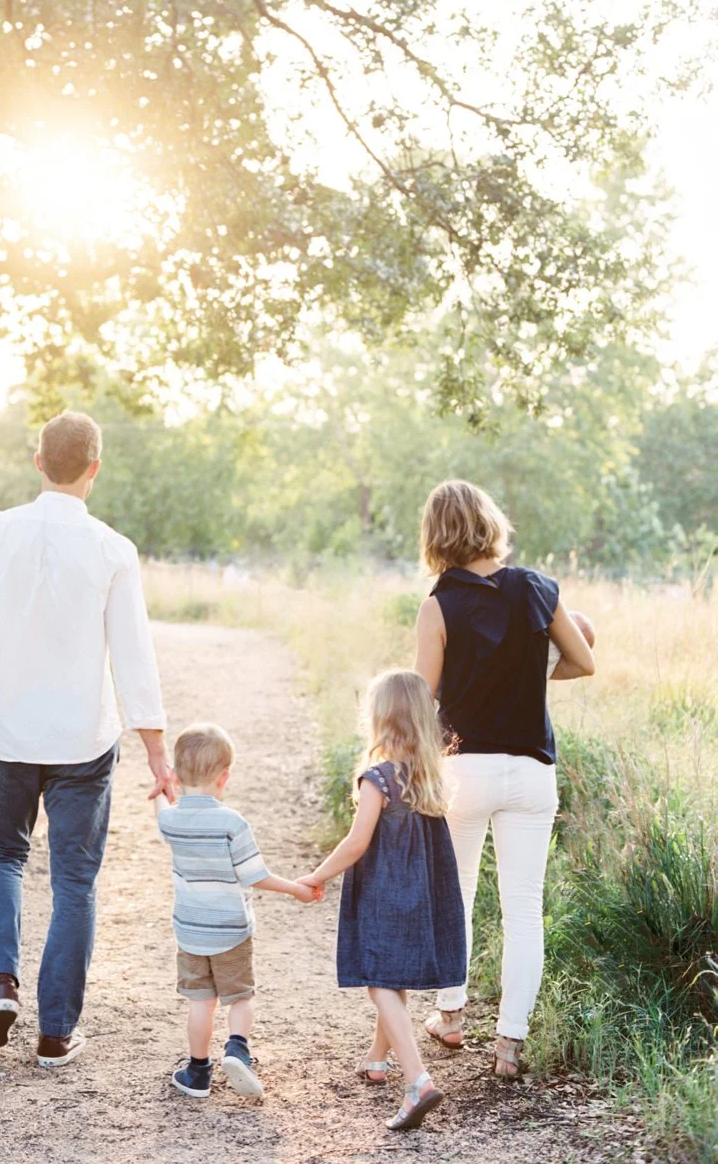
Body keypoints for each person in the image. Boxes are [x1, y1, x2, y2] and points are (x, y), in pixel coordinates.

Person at [0, 410, 174, 1069]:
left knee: (1, 856)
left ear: (38, 461)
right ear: (94, 469)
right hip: (82, 741)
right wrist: (156, 746)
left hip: (6, 730)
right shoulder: (112, 549)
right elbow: (133, 655)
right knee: (74, 881)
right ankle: (56, 1031)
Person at [414, 479, 595, 1079]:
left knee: (456, 897)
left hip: (463, 768)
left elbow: (422, 696)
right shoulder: (538, 589)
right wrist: (531, 676)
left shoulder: (438, 604)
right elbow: (583, 660)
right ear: (490, 523)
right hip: (531, 771)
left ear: (437, 535)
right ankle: (510, 1045)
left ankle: (451, 1016)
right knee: (523, 909)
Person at [298, 671, 466, 1132]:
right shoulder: (428, 777)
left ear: (379, 717)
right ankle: (378, 1059)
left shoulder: (378, 779)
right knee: (395, 977)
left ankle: (417, 1080)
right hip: (424, 895)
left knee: (379, 982)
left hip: (387, 892)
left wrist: (315, 876)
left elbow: (356, 844)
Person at [156, 723, 321, 1100]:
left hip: (191, 932)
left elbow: (162, 805)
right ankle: (237, 1049)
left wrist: (164, 788)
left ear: (177, 776)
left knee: (201, 1001)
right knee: (240, 996)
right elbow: (255, 876)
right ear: (224, 777)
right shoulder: (232, 823)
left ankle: (198, 1072)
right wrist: (296, 889)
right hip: (231, 930)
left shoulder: (169, 820)